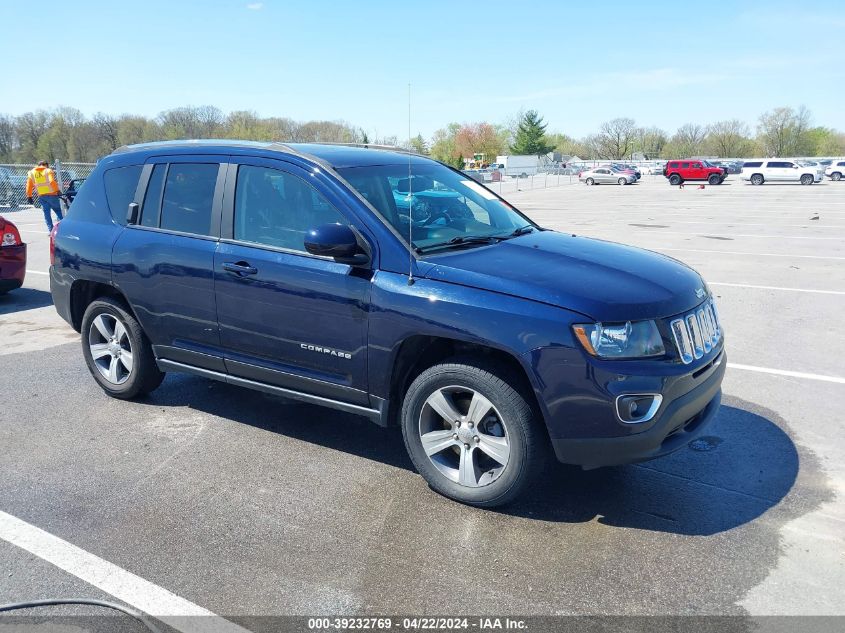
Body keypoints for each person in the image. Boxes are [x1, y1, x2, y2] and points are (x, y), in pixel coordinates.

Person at [26, 160, 64, 231]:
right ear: (46, 165)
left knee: (47, 214)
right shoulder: (48, 171)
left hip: (42, 197)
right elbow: (52, 181)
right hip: (52, 195)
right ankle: (64, 228)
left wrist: (29, 196)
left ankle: (51, 230)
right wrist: (57, 190)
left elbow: (29, 185)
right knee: (58, 211)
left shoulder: (31, 173)